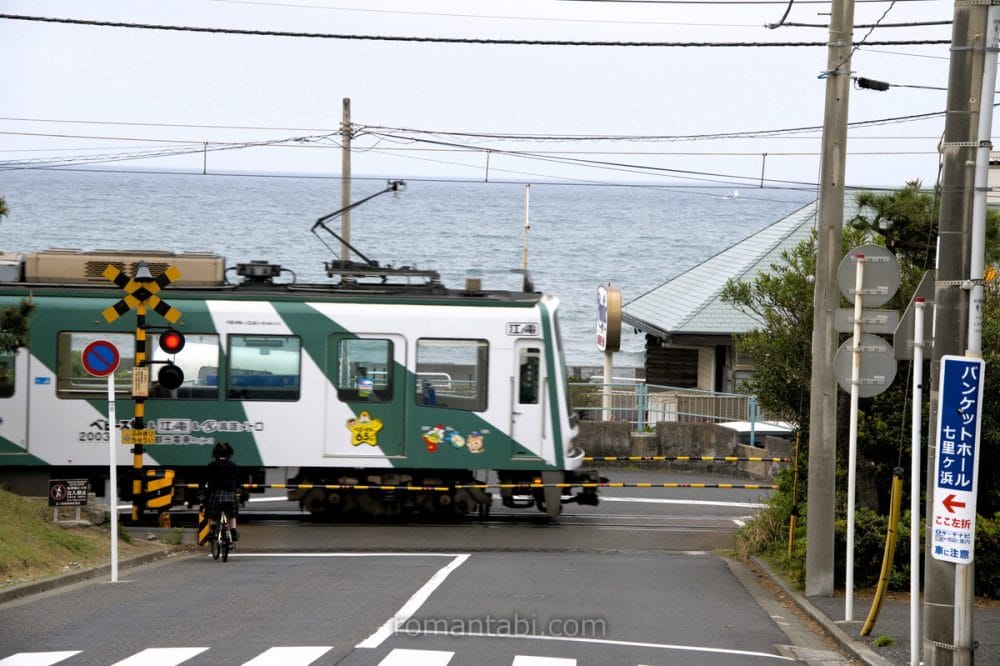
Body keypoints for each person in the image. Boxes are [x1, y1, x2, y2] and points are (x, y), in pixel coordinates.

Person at [205, 441, 240, 543]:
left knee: (212, 514)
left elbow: (205, 480)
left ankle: (212, 532)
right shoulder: (233, 465)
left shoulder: (211, 466)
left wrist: (203, 492)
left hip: (215, 495)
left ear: (215, 453)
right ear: (229, 453)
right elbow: (238, 481)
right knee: (232, 515)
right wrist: (237, 489)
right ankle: (233, 532)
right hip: (229, 495)